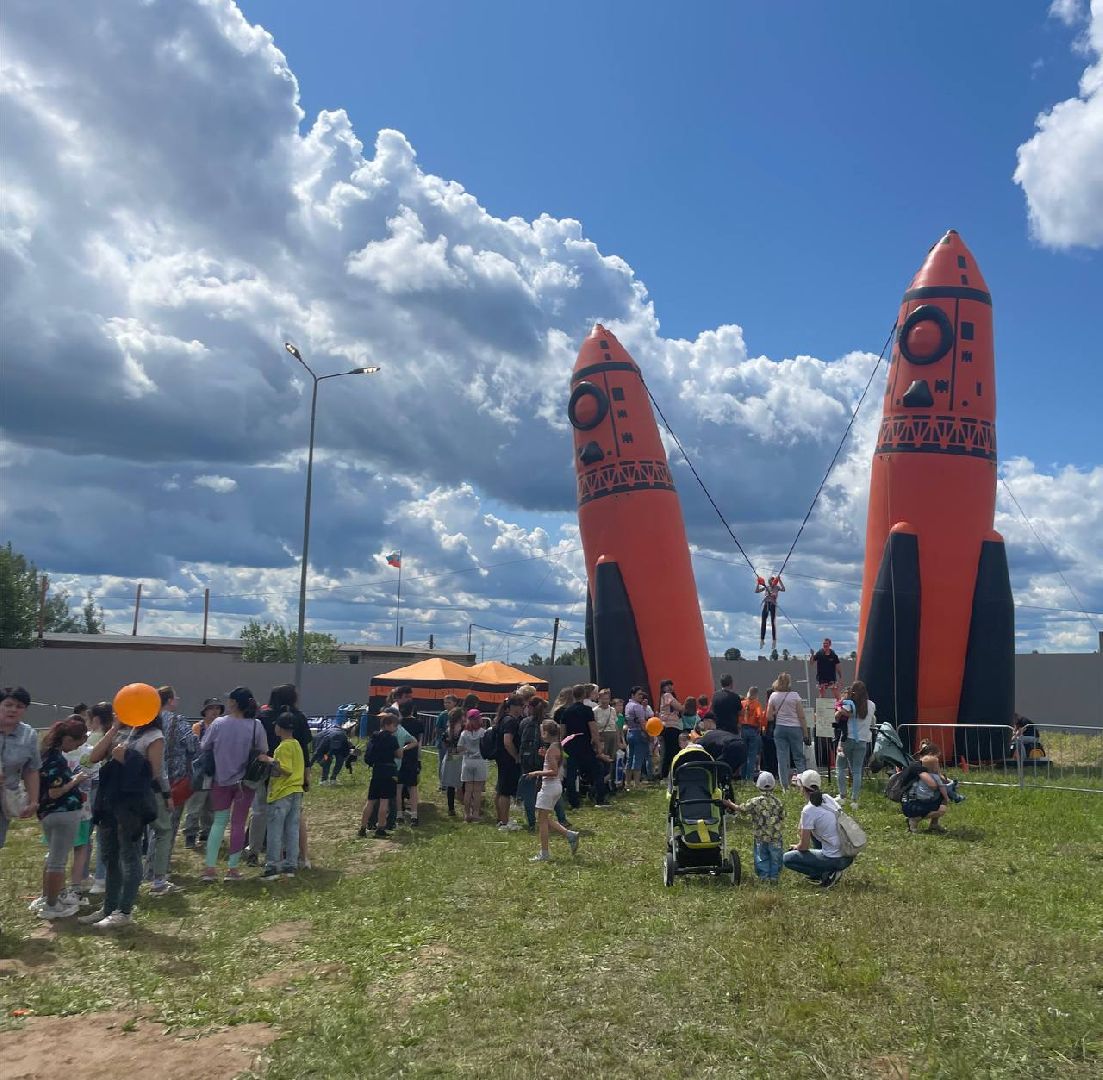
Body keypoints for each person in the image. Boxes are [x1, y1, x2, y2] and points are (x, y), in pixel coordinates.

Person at [80, 708, 168, 929]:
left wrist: (127, 758)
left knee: (129, 856)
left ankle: (125, 910)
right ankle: (109, 907)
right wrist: (115, 728)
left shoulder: (154, 736)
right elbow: (93, 757)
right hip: (110, 800)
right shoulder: (121, 732)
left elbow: (154, 772)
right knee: (110, 856)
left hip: (132, 806)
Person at [200, 687, 268, 883]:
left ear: (234, 703)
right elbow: (263, 750)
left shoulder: (219, 723)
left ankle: (210, 868)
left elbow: (204, 745)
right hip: (245, 782)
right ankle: (233, 869)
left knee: (219, 822)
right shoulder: (256, 725)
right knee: (238, 823)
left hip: (220, 779)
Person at [31, 716, 89, 920]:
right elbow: (56, 791)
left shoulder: (44, 755)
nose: (77, 746)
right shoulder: (56, 759)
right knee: (58, 861)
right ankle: (52, 905)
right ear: (66, 739)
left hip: (47, 813)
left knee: (52, 856)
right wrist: (76, 780)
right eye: (77, 741)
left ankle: (47, 896)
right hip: (63, 811)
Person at [251, 684, 313, 868]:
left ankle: (255, 852)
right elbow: (306, 746)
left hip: (268, 770)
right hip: (295, 773)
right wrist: (306, 775)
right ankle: (300, 857)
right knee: (294, 818)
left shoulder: (263, 716)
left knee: (261, 812)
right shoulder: (299, 718)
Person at [145, 685, 197, 895]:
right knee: (168, 828)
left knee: (152, 827)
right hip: (174, 780)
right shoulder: (178, 721)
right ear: (169, 701)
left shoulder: (147, 721)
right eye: (175, 697)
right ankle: (160, 872)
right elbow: (193, 746)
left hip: (149, 780)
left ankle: (148, 867)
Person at [781, 769, 853, 888]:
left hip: (835, 859)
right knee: (815, 833)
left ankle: (826, 873)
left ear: (803, 788)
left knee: (787, 858)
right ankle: (825, 870)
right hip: (848, 853)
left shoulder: (809, 811)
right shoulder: (827, 798)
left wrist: (796, 847)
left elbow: (803, 846)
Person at [527, 720, 581, 862]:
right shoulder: (556, 746)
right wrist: (546, 756)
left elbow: (553, 771)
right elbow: (555, 762)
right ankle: (569, 835)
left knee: (542, 822)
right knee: (544, 817)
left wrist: (536, 773)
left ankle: (544, 853)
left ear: (545, 733)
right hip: (555, 786)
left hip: (549, 787)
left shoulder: (552, 749)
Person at [262, 711, 305, 879]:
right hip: (296, 791)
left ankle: (272, 865)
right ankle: (290, 865)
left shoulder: (283, 746)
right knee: (292, 829)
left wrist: (269, 760)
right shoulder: (296, 744)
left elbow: (285, 769)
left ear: (280, 727)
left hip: (282, 793)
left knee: (275, 830)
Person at [725, 771, 784, 884]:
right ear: (773, 785)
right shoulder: (778, 802)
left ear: (758, 785)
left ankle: (764, 876)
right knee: (776, 857)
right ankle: (774, 877)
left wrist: (730, 804)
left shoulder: (755, 801)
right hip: (776, 836)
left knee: (762, 857)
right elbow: (782, 816)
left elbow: (742, 808)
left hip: (760, 836)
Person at [0, 686, 40, 848]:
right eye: (8, 705)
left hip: (5, 799)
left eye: (19, 706)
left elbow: (31, 769)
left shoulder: (28, 735)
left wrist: (33, 800)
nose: (13, 710)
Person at [560, 684, 607, 808]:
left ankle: (573, 802)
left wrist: (561, 747)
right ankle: (599, 798)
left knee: (571, 774)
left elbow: (563, 732)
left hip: (571, 746)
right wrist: (598, 746)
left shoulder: (566, 712)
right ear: (584, 695)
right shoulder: (587, 710)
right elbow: (593, 730)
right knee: (598, 770)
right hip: (585, 745)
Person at [183, 698, 221, 848]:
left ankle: (206, 834)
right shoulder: (198, 728)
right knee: (195, 806)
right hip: (199, 772)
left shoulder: (222, 728)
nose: (215, 711)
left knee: (211, 807)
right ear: (205, 711)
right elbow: (191, 750)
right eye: (211, 708)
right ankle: (190, 835)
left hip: (216, 772)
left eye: (218, 708)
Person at [835, 680, 875, 808]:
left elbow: (837, 716)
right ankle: (854, 800)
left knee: (840, 767)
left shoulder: (849, 704)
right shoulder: (872, 705)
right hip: (862, 741)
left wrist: (839, 708)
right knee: (857, 770)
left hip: (846, 740)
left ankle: (842, 796)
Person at [360, 713, 400, 839]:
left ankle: (362, 828)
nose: (396, 728)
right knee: (384, 801)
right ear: (388, 725)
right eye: (395, 725)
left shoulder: (374, 737)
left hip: (376, 770)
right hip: (388, 770)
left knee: (370, 801)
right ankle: (380, 828)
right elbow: (399, 755)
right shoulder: (392, 739)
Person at [766, 673, 809, 788]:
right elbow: (801, 716)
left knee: (782, 758)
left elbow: (769, 717)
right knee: (799, 757)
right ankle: (803, 785)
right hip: (795, 728)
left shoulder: (773, 696)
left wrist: (776, 713)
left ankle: (785, 787)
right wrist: (805, 732)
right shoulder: (795, 696)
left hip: (780, 728)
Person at [493, 695, 524, 831]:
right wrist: (516, 755)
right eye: (520, 706)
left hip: (501, 758)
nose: (522, 709)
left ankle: (501, 818)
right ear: (513, 707)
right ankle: (505, 822)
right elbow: (507, 741)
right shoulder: (511, 721)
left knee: (501, 789)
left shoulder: (502, 719)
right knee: (505, 791)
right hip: (508, 759)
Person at [901, 753, 950, 833]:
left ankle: (933, 824)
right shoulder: (923, 773)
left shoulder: (918, 770)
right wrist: (947, 795)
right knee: (942, 808)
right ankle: (915, 819)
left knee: (939, 797)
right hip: (913, 804)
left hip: (910, 801)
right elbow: (934, 786)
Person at [457, 709, 488, 823]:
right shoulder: (483, 732)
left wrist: (467, 750)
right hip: (480, 761)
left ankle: (466, 814)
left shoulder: (464, 733)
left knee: (468, 790)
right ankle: (475, 813)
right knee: (477, 791)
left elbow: (459, 747)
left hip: (468, 761)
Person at [592, 689, 620, 793]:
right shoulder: (595, 711)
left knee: (612, 758)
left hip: (612, 734)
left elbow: (615, 724)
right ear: (599, 698)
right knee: (603, 758)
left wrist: (618, 739)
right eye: (603, 698)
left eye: (607, 698)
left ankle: (610, 782)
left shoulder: (612, 710)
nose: (605, 700)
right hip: (602, 735)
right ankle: (600, 783)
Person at [623, 687, 651, 789]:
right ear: (633, 695)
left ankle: (627, 782)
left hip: (630, 732)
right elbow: (643, 723)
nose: (641, 696)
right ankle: (637, 783)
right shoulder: (637, 706)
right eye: (639, 694)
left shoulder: (627, 705)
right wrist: (648, 735)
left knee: (630, 758)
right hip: (639, 733)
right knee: (638, 758)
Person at [440, 706, 465, 816]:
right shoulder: (464, 729)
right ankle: (466, 804)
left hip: (450, 756)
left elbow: (445, 744)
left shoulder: (448, 730)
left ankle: (451, 808)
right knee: (463, 781)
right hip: (461, 756)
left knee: (450, 783)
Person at [738, 687, 766, 782]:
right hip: (753, 730)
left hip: (743, 729)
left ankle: (742, 777)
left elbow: (738, 715)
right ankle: (749, 779)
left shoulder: (742, 703)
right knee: (752, 755)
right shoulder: (757, 704)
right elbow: (760, 716)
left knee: (743, 755)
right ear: (756, 695)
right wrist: (760, 726)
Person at [658, 680, 682, 779]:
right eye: (667, 685)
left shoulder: (665, 697)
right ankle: (665, 775)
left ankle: (667, 774)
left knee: (669, 751)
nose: (670, 687)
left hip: (670, 726)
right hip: (670, 727)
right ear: (663, 688)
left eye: (671, 685)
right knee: (671, 751)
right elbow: (679, 707)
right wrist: (686, 705)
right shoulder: (667, 695)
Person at [434, 695, 459, 790]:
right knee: (442, 762)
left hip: (455, 743)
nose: (446, 704)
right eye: (445, 702)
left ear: (455, 703)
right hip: (443, 742)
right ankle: (443, 784)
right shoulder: (443, 715)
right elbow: (437, 728)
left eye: (449, 702)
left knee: (454, 762)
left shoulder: (458, 714)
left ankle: (453, 783)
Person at [756, 575, 785, 650]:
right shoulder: (766, 587)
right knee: (763, 622)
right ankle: (762, 640)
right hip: (766, 604)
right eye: (770, 581)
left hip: (772, 605)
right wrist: (758, 583)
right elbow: (756, 591)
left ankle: (774, 641)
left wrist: (780, 580)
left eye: (773, 581)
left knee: (773, 623)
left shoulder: (777, 587)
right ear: (769, 582)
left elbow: (783, 589)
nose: (772, 582)